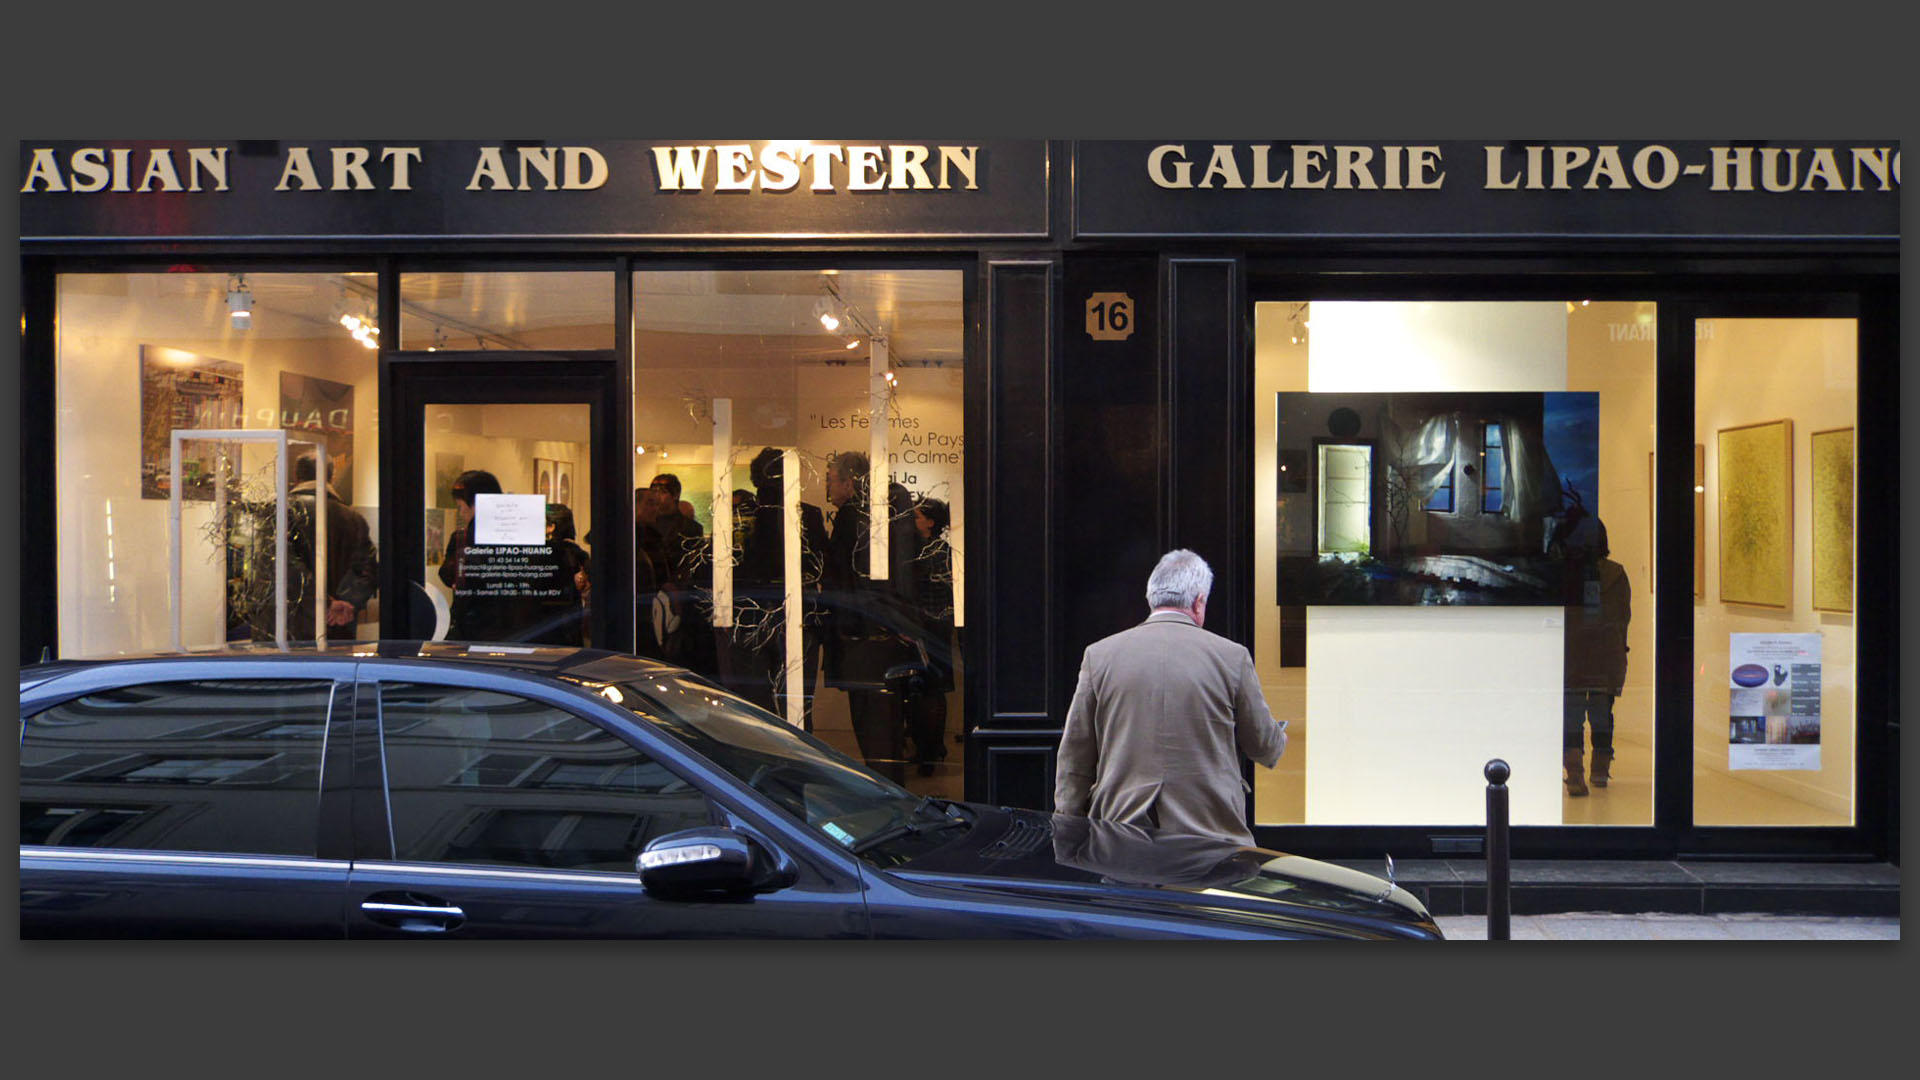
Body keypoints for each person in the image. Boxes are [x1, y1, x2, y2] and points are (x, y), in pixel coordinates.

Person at [1053, 549, 1289, 846]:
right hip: (1211, 831)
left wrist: (1067, 828)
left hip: (1121, 832)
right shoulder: (1231, 657)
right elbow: (1264, 746)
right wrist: (1279, 736)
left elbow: (1076, 753)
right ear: (1199, 600)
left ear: (1151, 598)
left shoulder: (1100, 656)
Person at [821, 451, 916, 780]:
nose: (828, 489)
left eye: (831, 481)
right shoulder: (885, 516)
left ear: (849, 482)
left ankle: (887, 791)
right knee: (884, 721)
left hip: (862, 635)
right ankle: (891, 786)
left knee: (872, 721)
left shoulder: (853, 519)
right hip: (881, 632)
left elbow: (847, 579)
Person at [720, 447, 829, 720]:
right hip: (796, 615)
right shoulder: (808, 515)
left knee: (755, 709)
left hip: (749, 615)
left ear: (756, 480)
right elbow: (821, 566)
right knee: (797, 708)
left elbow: (727, 565)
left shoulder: (739, 515)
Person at [1554, 514, 1631, 797]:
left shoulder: (1564, 573)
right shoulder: (1617, 573)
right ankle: (1600, 769)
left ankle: (1574, 770)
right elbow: (1624, 616)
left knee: (1571, 714)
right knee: (1601, 712)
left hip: (1571, 653)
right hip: (1605, 653)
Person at [284, 454, 378, 641]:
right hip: (340, 625)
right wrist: (346, 605)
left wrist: (326, 603)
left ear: (296, 475)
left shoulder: (284, 511)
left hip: (293, 628)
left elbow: (283, 566)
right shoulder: (353, 518)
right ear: (331, 476)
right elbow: (368, 570)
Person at [437, 469, 533, 642]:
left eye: (460, 506)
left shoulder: (465, 538)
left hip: (475, 625)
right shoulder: (521, 536)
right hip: (517, 625)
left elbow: (449, 575)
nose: (460, 513)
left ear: (474, 503)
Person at [905, 497, 956, 776]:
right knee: (927, 689)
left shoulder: (933, 553)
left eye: (917, 517)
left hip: (931, 627)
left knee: (931, 689)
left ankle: (931, 749)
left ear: (930, 522)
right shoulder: (926, 550)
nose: (912, 522)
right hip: (928, 626)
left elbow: (939, 591)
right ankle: (929, 747)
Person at [534, 502, 591, 647]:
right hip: (570, 620)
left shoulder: (549, 554)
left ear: (551, 527)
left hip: (548, 621)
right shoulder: (576, 552)